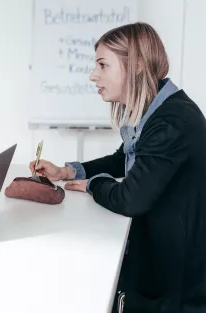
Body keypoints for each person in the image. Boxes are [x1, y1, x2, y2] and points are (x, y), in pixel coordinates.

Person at [30, 22, 206, 313]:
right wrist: (67, 172)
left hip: (178, 284)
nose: (92, 75)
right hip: (166, 259)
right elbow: (122, 158)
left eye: (102, 65)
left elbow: (130, 198)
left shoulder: (171, 121)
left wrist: (91, 185)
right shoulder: (160, 109)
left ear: (135, 64)